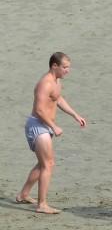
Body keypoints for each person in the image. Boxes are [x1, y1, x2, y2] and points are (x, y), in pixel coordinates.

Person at [18, 52, 87, 215]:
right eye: (65, 67)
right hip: (38, 126)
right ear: (54, 66)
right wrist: (54, 126)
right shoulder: (45, 83)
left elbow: (58, 99)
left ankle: (23, 195)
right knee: (48, 164)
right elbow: (39, 110)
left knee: (43, 163)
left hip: (45, 127)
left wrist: (75, 115)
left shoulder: (56, 82)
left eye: (69, 67)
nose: (67, 71)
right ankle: (42, 204)